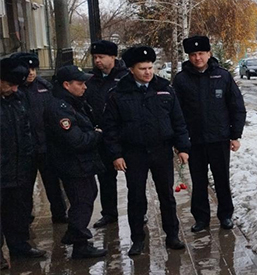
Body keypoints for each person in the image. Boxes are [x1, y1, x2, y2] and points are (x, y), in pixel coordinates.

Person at [102, 46, 191, 257]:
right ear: (131, 69)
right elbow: (110, 128)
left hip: (161, 150)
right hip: (134, 152)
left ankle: (172, 235)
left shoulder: (164, 89)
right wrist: (116, 154)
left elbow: (178, 121)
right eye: (142, 68)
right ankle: (137, 239)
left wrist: (183, 147)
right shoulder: (118, 94)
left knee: (166, 195)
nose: (148, 72)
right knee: (136, 197)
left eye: (150, 67)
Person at [172, 36, 246, 233]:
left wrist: (235, 135)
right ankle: (201, 218)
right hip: (194, 141)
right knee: (198, 181)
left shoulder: (222, 76)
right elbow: (175, 112)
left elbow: (236, 106)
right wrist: (180, 141)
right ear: (189, 56)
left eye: (201, 54)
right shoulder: (181, 80)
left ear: (209, 54)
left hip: (219, 138)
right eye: (193, 55)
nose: (198, 58)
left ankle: (225, 215)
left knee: (222, 179)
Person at [44, 65, 108, 259]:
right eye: (80, 84)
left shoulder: (73, 103)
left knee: (88, 195)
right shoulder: (59, 108)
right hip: (72, 164)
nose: (85, 87)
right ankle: (79, 242)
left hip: (81, 163)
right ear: (66, 85)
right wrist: (96, 135)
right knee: (82, 199)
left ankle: (75, 233)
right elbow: (76, 140)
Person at [11, 52, 69, 224]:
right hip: (24, 149)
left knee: (52, 183)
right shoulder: (14, 90)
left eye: (34, 69)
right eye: (28, 69)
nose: (31, 73)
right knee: (24, 187)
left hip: (46, 145)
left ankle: (59, 213)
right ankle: (25, 217)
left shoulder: (44, 86)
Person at [0, 57, 47, 262]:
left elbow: (26, 130)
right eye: (9, 84)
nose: (14, 88)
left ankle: (19, 246)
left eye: (16, 85)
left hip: (20, 168)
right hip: (2, 169)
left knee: (18, 211)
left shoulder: (17, 100)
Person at [84, 40, 128, 229]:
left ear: (113, 57)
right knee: (105, 176)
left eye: (101, 57)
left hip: (125, 134)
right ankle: (109, 213)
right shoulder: (91, 80)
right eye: (95, 57)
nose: (97, 61)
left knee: (134, 176)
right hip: (102, 135)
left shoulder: (125, 77)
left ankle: (138, 210)